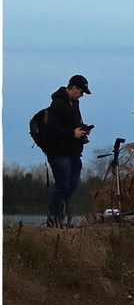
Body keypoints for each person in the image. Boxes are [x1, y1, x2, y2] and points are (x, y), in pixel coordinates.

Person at [39, 74, 93, 227]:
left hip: (74, 153)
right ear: (74, 88)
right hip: (59, 153)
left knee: (71, 186)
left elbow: (72, 124)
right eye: (81, 92)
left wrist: (82, 130)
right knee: (62, 186)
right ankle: (53, 220)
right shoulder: (58, 104)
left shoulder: (74, 104)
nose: (82, 95)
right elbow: (52, 128)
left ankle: (60, 219)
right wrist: (72, 133)